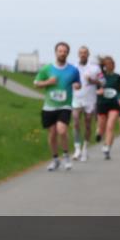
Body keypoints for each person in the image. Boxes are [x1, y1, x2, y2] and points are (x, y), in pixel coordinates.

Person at [33, 42, 81, 172]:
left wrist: (77, 85)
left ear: (68, 53)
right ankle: (55, 160)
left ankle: (66, 157)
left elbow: (78, 82)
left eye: (65, 51)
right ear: (56, 52)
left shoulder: (73, 70)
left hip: (65, 105)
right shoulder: (47, 69)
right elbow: (36, 83)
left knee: (62, 130)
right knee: (52, 134)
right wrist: (48, 82)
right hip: (49, 106)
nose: (62, 53)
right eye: (60, 51)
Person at [71, 46, 101, 161]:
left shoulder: (95, 68)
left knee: (88, 125)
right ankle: (77, 148)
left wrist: (93, 81)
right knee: (76, 121)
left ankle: (85, 149)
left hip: (90, 100)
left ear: (88, 54)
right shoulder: (73, 67)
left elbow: (103, 82)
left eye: (85, 53)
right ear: (78, 54)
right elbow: (68, 79)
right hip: (76, 98)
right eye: (81, 53)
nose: (82, 55)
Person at [95, 56, 120, 160]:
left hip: (114, 104)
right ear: (104, 65)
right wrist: (98, 92)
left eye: (111, 63)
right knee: (102, 126)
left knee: (110, 126)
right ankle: (99, 132)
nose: (109, 65)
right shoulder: (100, 76)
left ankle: (107, 147)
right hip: (102, 103)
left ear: (114, 65)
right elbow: (94, 88)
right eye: (107, 64)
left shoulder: (117, 77)